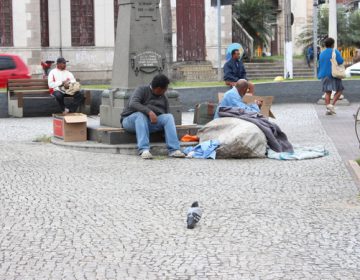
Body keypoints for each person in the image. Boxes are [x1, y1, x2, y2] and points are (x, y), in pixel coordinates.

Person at [121, 74, 186, 159]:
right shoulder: (142, 90)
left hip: (149, 123)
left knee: (168, 117)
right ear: (159, 89)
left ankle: (174, 150)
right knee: (141, 115)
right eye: (165, 89)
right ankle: (144, 150)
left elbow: (166, 113)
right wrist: (149, 112)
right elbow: (133, 103)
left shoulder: (164, 97)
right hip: (130, 121)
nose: (165, 91)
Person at [318, 37, 345, 115]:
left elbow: (320, 63)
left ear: (325, 45)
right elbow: (340, 61)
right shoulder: (335, 52)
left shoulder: (322, 53)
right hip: (333, 74)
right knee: (339, 90)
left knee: (328, 92)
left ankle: (328, 109)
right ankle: (332, 106)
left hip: (324, 74)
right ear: (333, 44)